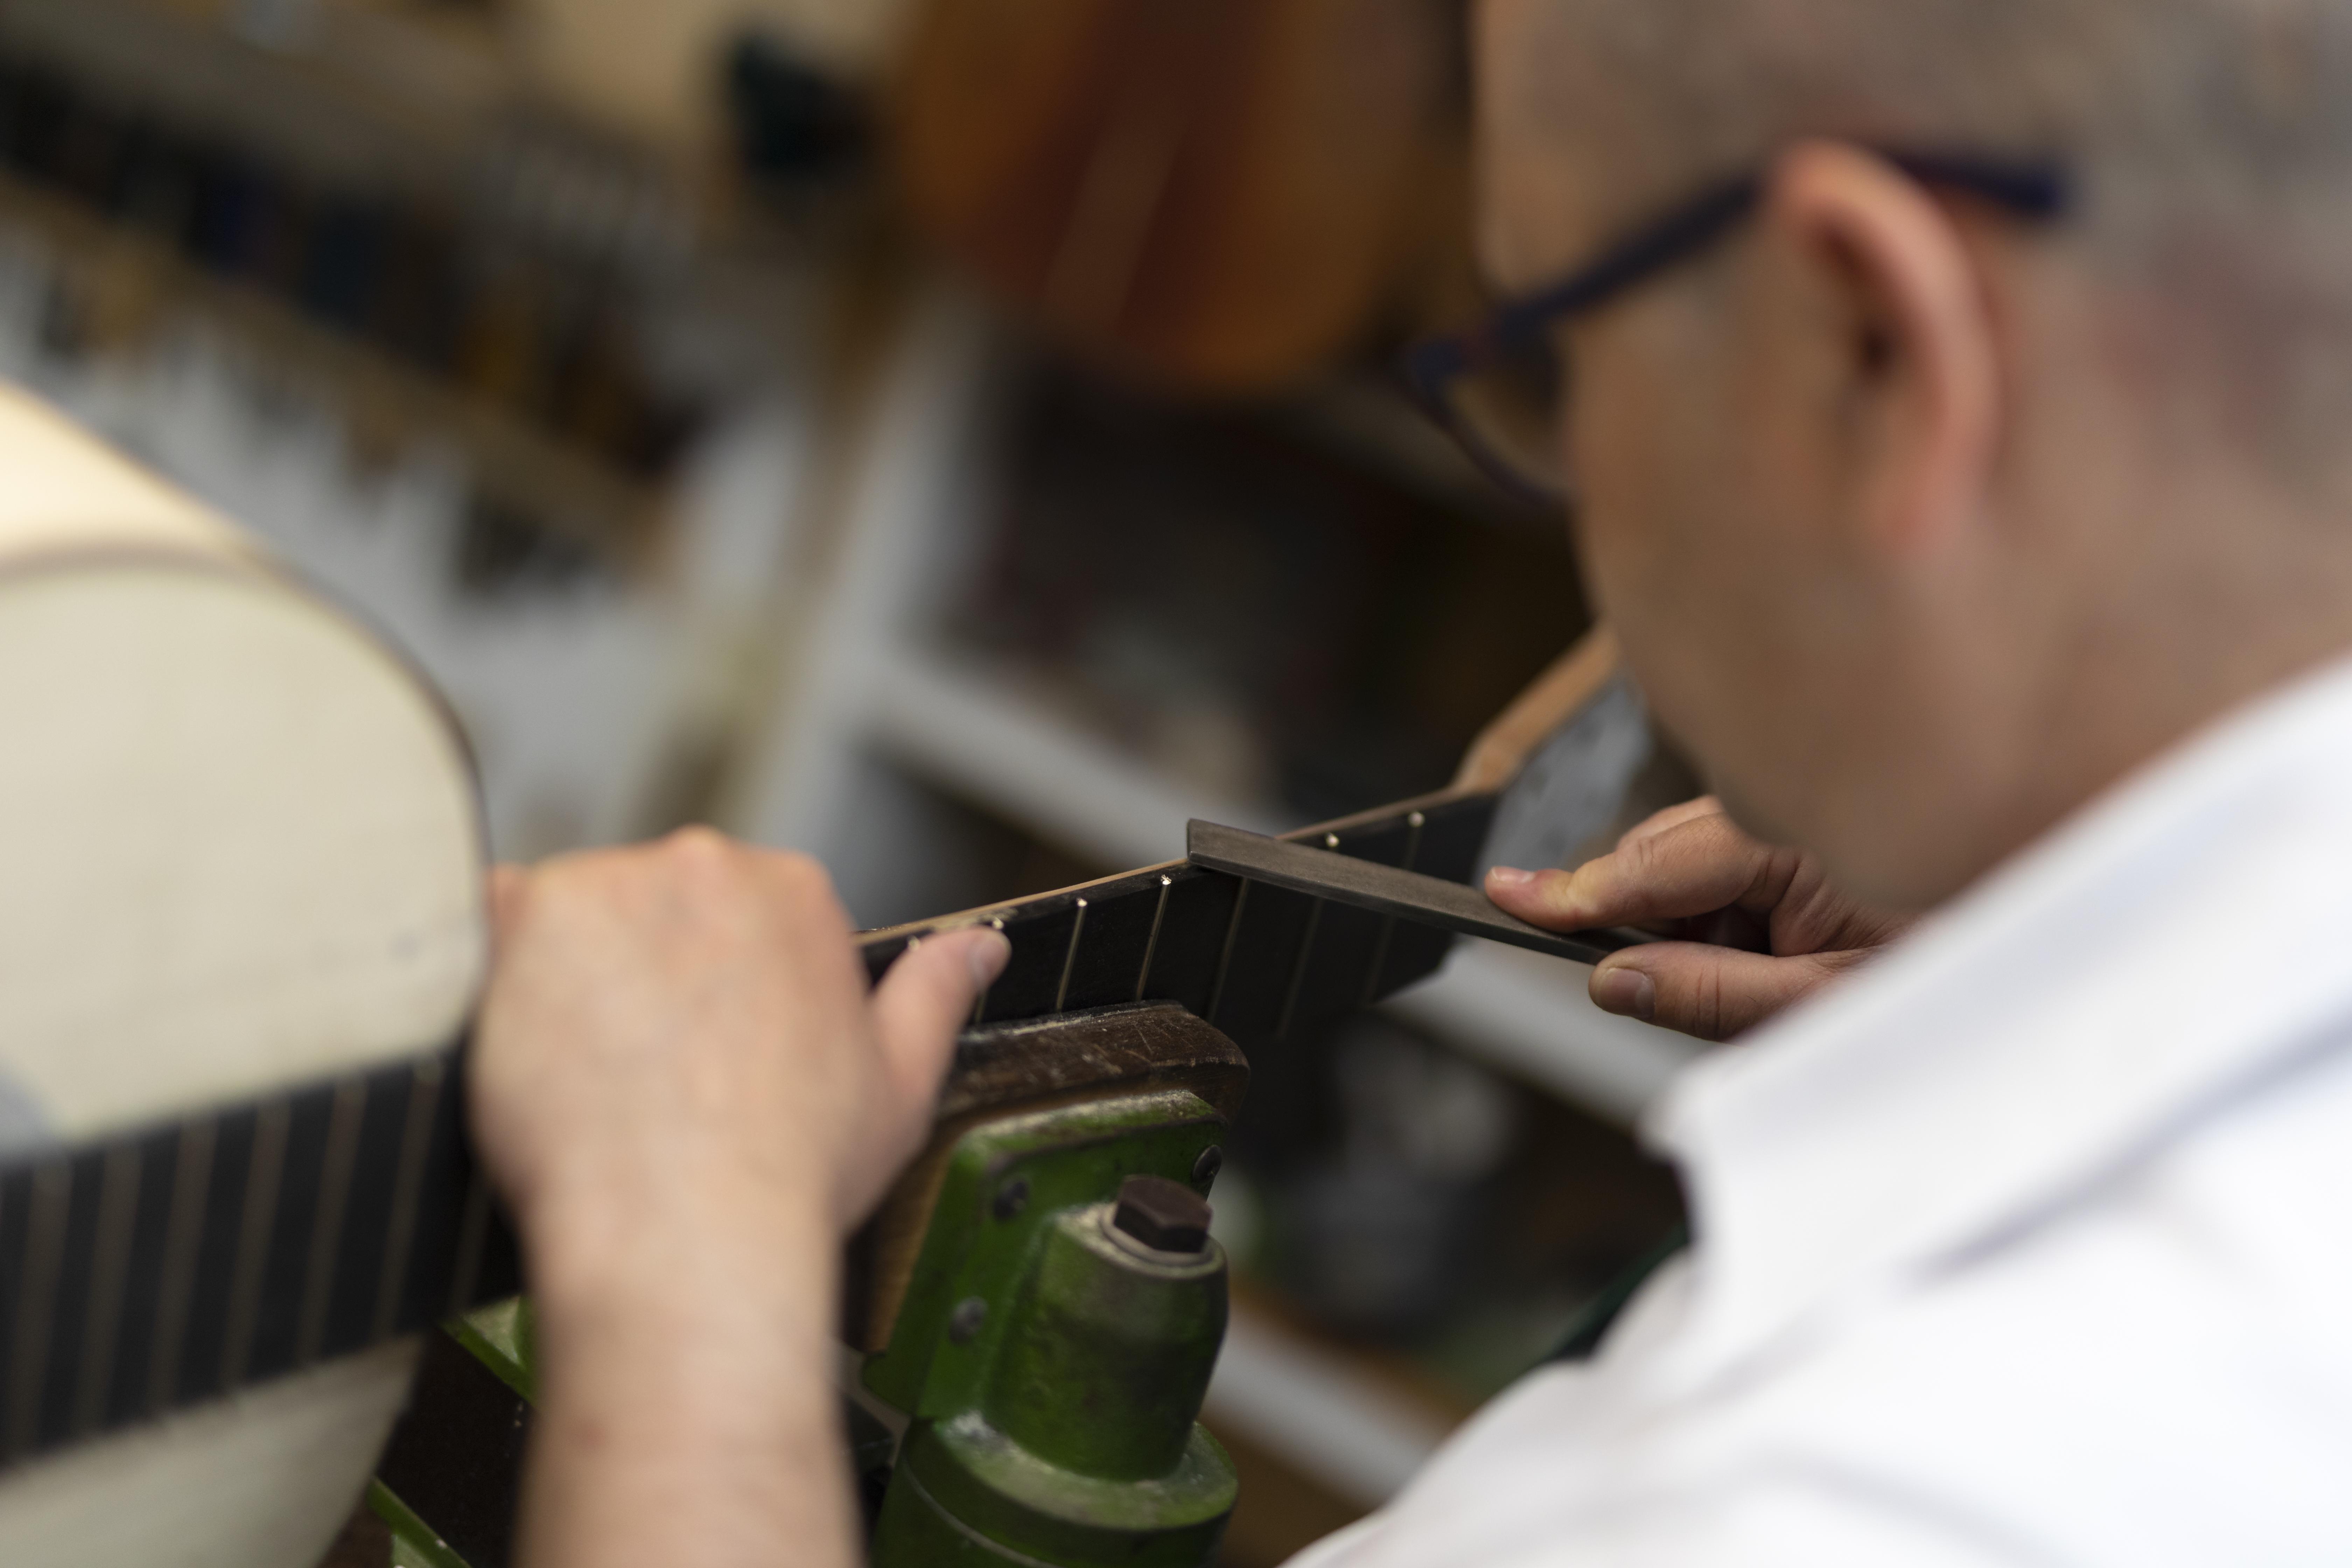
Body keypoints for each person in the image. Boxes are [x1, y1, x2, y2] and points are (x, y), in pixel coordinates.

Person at [470, 0, 2352, 1561]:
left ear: (1869, 351)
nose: (1571, 463)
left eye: (1550, 354)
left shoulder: (1868, 1500)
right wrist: (2031, 944)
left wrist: (685, 1322)